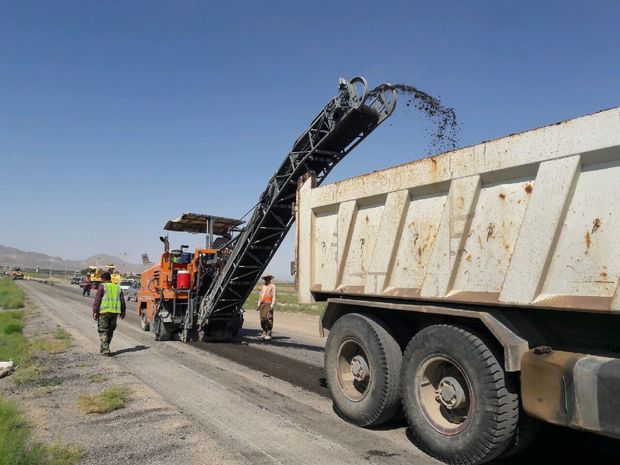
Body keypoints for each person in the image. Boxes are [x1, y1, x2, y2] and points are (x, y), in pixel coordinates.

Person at [92, 272, 126, 356]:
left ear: (103, 279)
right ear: (110, 278)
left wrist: (95, 312)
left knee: (103, 331)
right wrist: (123, 311)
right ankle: (103, 348)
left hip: (104, 312)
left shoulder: (103, 286)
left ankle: (106, 350)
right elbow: (122, 301)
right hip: (114, 313)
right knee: (110, 332)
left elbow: (97, 300)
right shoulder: (118, 287)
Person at [257, 274, 276, 340]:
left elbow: (274, 296)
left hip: (269, 304)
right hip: (262, 304)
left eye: (268, 278)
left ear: (270, 279)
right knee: (262, 319)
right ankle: (264, 333)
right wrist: (258, 304)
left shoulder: (272, 286)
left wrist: (272, 305)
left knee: (268, 318)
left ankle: (269, 333)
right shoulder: (263, 286)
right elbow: (260, 296)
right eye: (265, 278)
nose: (266, 279)